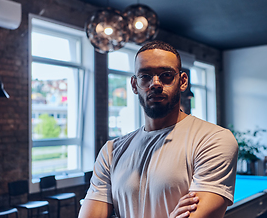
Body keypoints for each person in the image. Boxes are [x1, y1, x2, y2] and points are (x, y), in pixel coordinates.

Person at [78, 41, 238, 218]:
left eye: (166, 75)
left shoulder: (213, 139)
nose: (155, 83)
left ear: (183, 81)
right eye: (145, 76)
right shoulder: (111, 151)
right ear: (134, 84)